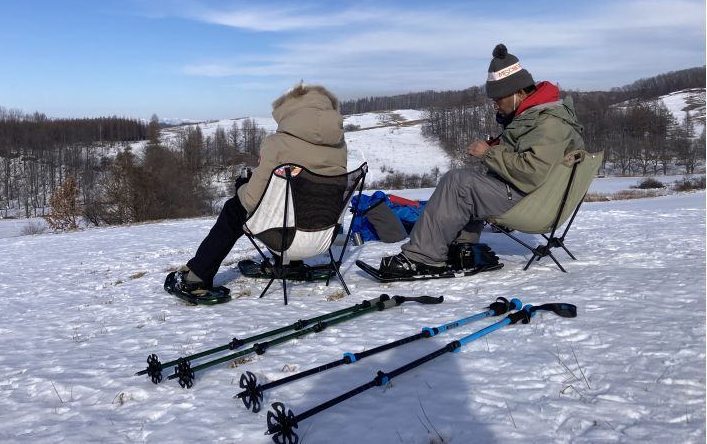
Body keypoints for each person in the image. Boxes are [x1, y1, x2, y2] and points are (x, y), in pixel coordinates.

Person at [378, 44, 585, 278]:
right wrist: (499, 146)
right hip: (540, 199)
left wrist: (488, 153)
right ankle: (462, 250)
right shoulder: (540, 115)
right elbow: (535, 158)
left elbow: (533, 171)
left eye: (497, 99)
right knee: (472, 183)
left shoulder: (548, 122)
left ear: (516, 93)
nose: (494, 105)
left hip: (533, 204)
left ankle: (421, 258)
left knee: (458, 183)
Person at [166, 82, 347, 301]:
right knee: (293, 203)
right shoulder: (340, 146)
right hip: (322, 237)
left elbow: (252, 201)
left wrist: (241, 186)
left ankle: (195, 277)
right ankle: (289, 265)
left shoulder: (277, 143)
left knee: (234, 208)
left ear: (290, 110)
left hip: (287, 239)